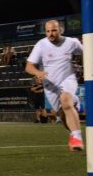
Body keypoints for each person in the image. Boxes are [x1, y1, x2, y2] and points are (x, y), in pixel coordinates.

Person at [25, 19, 83, 151]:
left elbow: (87, 53)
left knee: (65, 101)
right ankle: (73, 132)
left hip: (67, 79)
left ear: (61, 30)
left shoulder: (72, 42)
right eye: (48, 31)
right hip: (50, 85)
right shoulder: (41, 44)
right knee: (62, 115)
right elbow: (29, 66)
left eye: (54, 30)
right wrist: (37, 72)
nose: (51, 34)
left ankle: (77, 137)